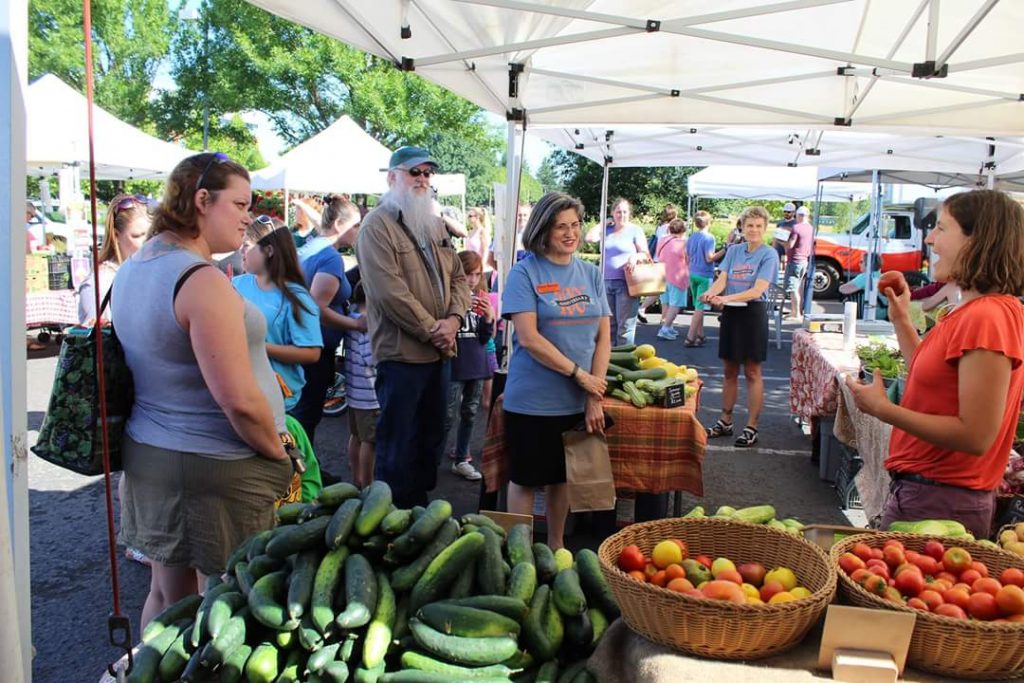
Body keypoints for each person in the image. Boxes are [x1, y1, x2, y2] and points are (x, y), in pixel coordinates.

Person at [112, 152, 293, 626]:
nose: (247, 218)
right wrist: (278, 453)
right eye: (239, 205)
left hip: (153, 454)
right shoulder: (200, 279)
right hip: (210, 467)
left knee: (167, 596)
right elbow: (236, 400)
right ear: (201, 200)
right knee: (227, 606)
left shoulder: (135, 266)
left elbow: (168, 358)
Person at [846, 190, 1024, 538]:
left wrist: (884, 410)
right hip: (929, 495)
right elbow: (933, 378)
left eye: (941, 228)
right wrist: (901, 320)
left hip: (942, 501)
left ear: (978, 241)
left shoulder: (987, 316)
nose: (929, 238)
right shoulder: (973, 311)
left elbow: (976, 435)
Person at [356, 146, 472, 507]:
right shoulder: (376, 226)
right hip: (402, 356)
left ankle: (420, 516)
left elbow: (459, 278)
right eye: (414, 172)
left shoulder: (435, 225)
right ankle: (390, 519)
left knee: (432, 439)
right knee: (396, 445)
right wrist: (432, 329)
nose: (422, 179)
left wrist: (453, 320)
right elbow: (389, 292)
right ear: (393, 178)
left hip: (439, 353)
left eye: (427, 173)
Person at [502, 191, 611, 550]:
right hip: (532, 400)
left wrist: (593, 394)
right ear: (543, 231)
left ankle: (556, 546)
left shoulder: (591, 274)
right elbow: (530, 339)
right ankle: (517, 555)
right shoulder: (525, 272)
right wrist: (579, 375)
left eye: (575, 225)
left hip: (574, 401)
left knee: (562, 480)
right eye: (560, 226)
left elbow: (603, 339)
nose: (570, 233)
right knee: (525, 479)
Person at [701, 206, 779, 448]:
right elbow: (722, 279)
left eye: (758, 226)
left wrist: (724, 299)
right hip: (732, 315)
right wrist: (710, 293)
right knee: (729, 371)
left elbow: (758, 289)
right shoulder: (734, 250)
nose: (753, 230)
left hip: (753, 314)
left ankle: (751, 426)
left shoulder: (769, 255)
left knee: (753, 372)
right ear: (742, 228)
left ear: (765, 228)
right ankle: (725, 420)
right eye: (749, 225)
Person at [291, 195, 364, 445]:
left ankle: (305, 472)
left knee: (303, 413)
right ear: (339, 224)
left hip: (303, 342)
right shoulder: (330, 256)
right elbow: (317, 307)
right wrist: (356, 324)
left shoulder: (312, 246)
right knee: (307, 414)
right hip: (316, 347)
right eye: (355, 225)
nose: (358, 230)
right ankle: (300, 479)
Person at [234, 215, 323, 413]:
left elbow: (312, 353)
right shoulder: (236, 285)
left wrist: (258, 346)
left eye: (247, 245)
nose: (241, 250)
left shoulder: (296, 297)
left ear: (269, 251)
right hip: (240, 393)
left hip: (279, 401)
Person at [444, 251, 494, 481]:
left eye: (476, 274)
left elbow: (485, 338)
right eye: (468, 274)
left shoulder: (483, 297)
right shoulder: (449, 297)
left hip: (477, 363)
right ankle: (432, 455)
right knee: (447, 414)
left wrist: (489, 317)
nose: (473, 279)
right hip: (455, 363)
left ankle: (461, 458)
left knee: (470, 413)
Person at [79, 194, 150, 323]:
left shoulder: (147, 272)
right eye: (138, 235)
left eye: (153, 234)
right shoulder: (100, 283)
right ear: (116, 236)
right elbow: (95, 337)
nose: (148, 242)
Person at [343, 282, 379, 488]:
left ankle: (356, 476)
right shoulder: (368, 324)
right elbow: (370, 358)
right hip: (370, 396)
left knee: (356, 436)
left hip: (354, 393)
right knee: (370, 441)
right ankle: (367, 482)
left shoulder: (350, 319)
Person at [601, 198, 650, 345]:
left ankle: (625, 361)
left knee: (625, 327)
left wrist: (635, 257)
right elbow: (589, 238)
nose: (621, 215)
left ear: (629, 213)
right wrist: (604, 222)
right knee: (608, 326)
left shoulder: (635, 230)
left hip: (626, 284)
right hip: (606, 282)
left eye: (624, 211)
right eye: (618, 212)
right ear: (612, 213)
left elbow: (645, 254)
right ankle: (610, 362)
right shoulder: (607, 230)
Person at [685, 211, 717, 347]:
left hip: (692, 272)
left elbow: (686, 256)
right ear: (709, 222)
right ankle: (690, 337)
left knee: (698, 306)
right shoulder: (709, 238)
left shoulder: (692, 237)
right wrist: (725, 250)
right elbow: (709, 257)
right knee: (700, 307)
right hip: (705, 274)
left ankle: (700, 334)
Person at [654, 218, 689, 340]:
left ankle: (669, 327)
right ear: (683, 230)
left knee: (667, 303)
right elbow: (688, 260)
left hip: (662, 276)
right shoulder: (683, 243)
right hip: (677, 277)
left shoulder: (663, 240)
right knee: (675, 305)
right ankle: (665, 328)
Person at [642, 204, 679, 319]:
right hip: (666, 262)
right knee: (662, 290)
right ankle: (642, 308)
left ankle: (664, 317)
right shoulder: (671, 228)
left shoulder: (660, 227)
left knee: (662, 290)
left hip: (657, 260)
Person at [786, 205, 814, 321]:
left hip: (795, 260)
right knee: (800, 288)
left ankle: (795, 313)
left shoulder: (796, 228)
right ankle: (798, 312)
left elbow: (790, 245)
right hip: (804, 260)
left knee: (793, 287)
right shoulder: (811, 228)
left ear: (798, 215)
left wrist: (782, 242)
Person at [839, 254, 889, 320]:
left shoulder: (866, 277)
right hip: (885, 313)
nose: (859, 264)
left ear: (868, 264)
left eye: (861, 262)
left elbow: (843, 289)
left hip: (869, 313)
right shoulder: (883, 276)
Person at [773, 202, 797, 269]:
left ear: (793, 212)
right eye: (785, 211)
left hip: (789, 251)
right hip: (778, 250)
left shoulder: (796, 224)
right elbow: (775, 237)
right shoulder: (780, 223)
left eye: (789, 212)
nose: (786, 213)